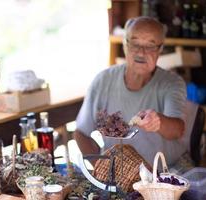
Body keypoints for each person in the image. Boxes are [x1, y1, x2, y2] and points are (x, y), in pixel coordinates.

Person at [74, 16, 187, 166]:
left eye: (150, 45)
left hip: (163, 173)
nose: (141, 52)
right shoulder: (103, 81)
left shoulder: (172, 83)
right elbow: (81, 132)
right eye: (134, 43)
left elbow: (177, 130)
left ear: (160, 50)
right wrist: (100, 168)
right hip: (119, 174)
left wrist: (158, 122)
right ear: (125, 45)